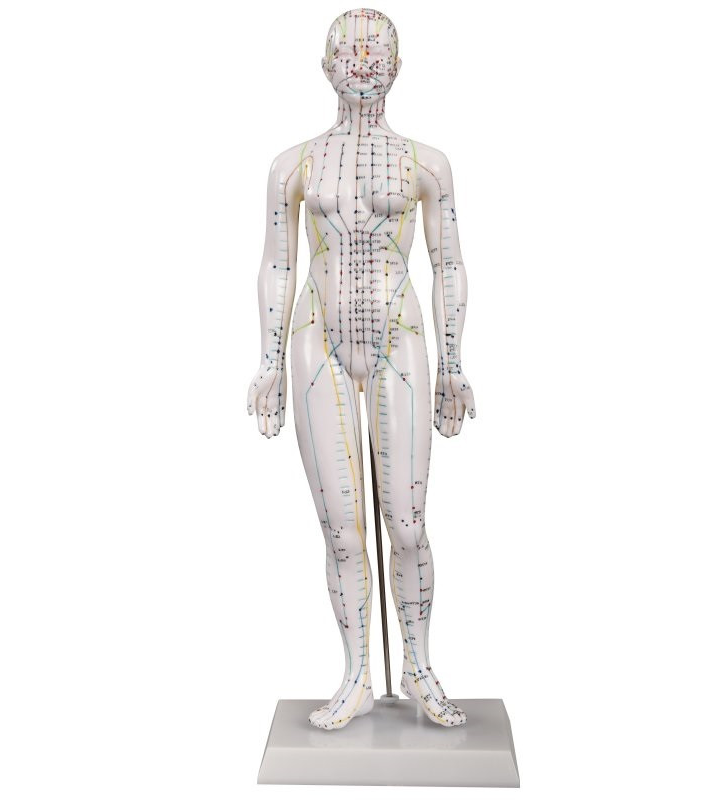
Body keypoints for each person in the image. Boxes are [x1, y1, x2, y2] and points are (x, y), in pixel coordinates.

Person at [247, 8, 476, 730]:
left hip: (397, 334)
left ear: (399, 67)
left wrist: (454, 363)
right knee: (343, 530)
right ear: (325, 67)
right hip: (317, 337)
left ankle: (418, 666)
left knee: (406, 525)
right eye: (348, 52)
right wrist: (268, 361)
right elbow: (278, 263)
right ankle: (355, 675)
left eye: (378, 52)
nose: (364, 62)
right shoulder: (294, 164)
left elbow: (448, 264)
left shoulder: (426, 163)